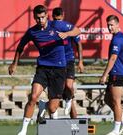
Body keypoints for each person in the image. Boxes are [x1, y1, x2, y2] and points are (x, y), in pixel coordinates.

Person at [8, 5, 81, 135]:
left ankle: (44, 106)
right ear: (34, 18)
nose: (40, 20)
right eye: (37, 18)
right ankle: (23, 130)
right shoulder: (32, 32)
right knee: (33, 96)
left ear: (47, 15)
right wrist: (14, 63)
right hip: (43, 68)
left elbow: (77, 30)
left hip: (59, 69)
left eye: (42, 17)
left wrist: (67, 34)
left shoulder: (57, 25)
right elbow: (20, 47)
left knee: (53, 108)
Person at [99, 15, 123, 135]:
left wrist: (104, 75)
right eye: (108, 25)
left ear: (117, 24)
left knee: (116, 101)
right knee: (108, 99)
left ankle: (116, 130)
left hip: (118, 73)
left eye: (112, 25)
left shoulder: (118, 39)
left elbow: (113, 58)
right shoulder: (118, 37)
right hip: (116, 72)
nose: (109, 27)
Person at [52, 7, 84, 118]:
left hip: (69, 59)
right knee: (59, 87)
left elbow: (79, 43)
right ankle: (55, 111)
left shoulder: (67, 27)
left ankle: (68, 100)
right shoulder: (50, 26)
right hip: (56, 61)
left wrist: (80, 61)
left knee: (69, 85)